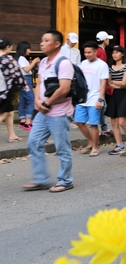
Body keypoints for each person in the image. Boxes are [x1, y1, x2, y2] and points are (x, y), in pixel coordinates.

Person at [23, 30, 74, 193]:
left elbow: (64, 88)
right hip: (43, 112)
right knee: (34, 142)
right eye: (42, 40)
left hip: (59, 113)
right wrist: (38, 100)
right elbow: (39, 83)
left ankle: (66, 181)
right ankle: (41, 179)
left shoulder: (64, 63)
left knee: (62, 147)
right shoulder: (44, 62)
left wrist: (47, 102)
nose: (42, 43)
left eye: (46, 40)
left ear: (57, 44)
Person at [74, 42, 109, 158]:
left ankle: (95, 147)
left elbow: (103, 83)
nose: (87, 55)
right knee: (79, 122)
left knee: (94, 124)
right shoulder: (83, 63)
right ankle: (90, 142)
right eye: (85, 52)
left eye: (89, 52)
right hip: (83, 98)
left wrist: (100, 99)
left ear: (95, 52)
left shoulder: (102, 65)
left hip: (95, 97)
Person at [106, 45, 126, 155]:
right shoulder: (110, 67)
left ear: (122, 54)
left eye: (117, 52)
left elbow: (124, 82)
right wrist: (118, 84)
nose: (114, 55)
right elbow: (109, 83)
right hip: (116, 94)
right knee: (113, 121)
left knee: (122, 122)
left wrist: (114, 82)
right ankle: (119, 145)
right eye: (113, 53)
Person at [0, 38, 27, 142]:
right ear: (8, 47)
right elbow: (16, 73)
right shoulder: (8, 59)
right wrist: (24, 84)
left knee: (10, 111)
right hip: (5, 89)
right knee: (4, 113)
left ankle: (12, 135)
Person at [16, 41, 39, 131]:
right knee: (31, 100)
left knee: (23, 100)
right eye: (28, 48)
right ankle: (28, 121)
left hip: (23, 80)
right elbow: (26, 69)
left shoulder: (20, 58)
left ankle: (22, 120)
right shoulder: (21, 58)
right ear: (24, 49)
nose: (29, 50)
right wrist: (34, 62)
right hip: (26, 80)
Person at [96, 31, 113, 137]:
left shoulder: (97, 50)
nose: (108, 41)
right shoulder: (101, 52)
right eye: (107, 39)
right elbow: (102, 68)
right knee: (102, 105)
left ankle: (102, 126)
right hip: (100, 82)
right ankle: (103, 127)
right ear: (104, 40)